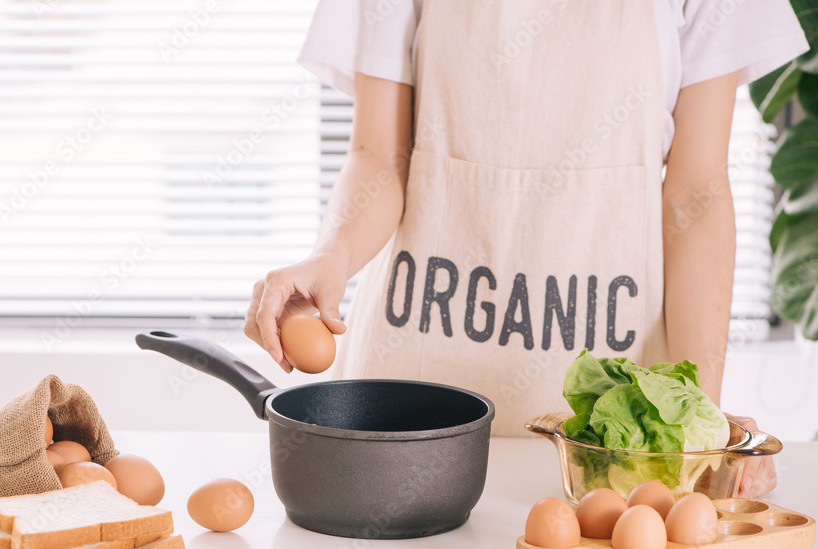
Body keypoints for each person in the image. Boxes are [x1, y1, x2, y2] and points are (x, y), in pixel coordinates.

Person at [244, 0, 806, 497]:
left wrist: (699, 416)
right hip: (411, 405)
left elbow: (695, 196)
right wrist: (331, 257)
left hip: (611, 430)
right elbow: (379, 157)